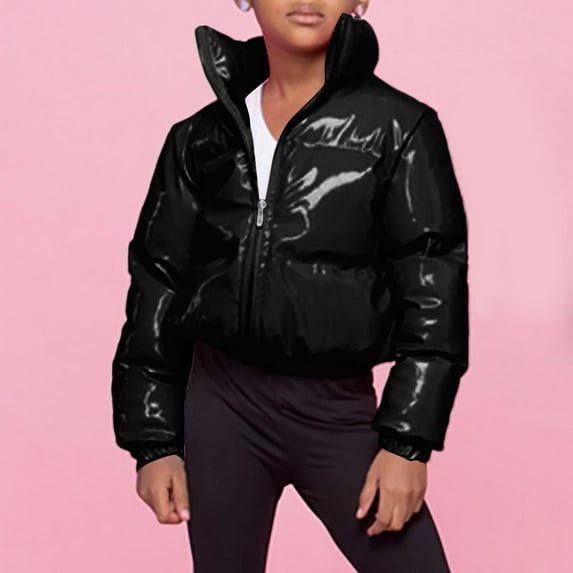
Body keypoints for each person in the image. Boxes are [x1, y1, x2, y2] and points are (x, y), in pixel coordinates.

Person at [111, 1, 469, 571]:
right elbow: (158, 282)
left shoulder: (399, 129)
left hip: (335, 411)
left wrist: (407, 443)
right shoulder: (199, 138)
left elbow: (433, 287)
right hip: (222, 405)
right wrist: (155, 441)